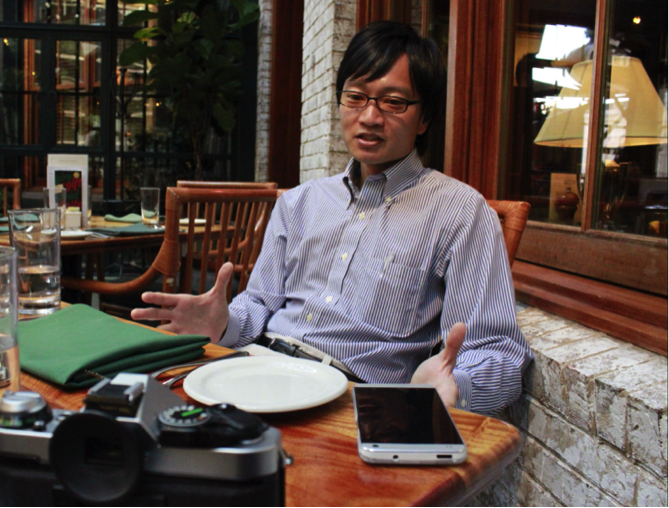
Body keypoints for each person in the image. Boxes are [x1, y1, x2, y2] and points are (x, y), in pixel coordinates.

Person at [132, 21, 533, 415]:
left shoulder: (459, 211)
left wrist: (455, 387)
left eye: (393, 102)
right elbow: (259, 303)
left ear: (424, 117)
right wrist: (223, 323)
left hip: (350, 400)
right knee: (141, 416)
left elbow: (499, 351)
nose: (370, 116)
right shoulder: (300, 202)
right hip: (256, 366)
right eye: (355, 96)